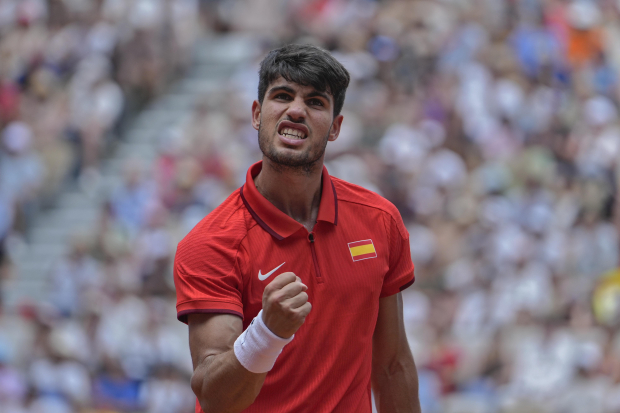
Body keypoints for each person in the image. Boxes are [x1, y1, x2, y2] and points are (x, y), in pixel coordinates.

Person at [173, 44, 421, 413]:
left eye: (316, 102)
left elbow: (391, 366)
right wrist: (266, 333)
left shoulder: (380, 221)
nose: (295, 110)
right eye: (282, 96)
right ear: (257, 114)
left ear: (336, 127)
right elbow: (215, 397)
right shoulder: (210, 243)